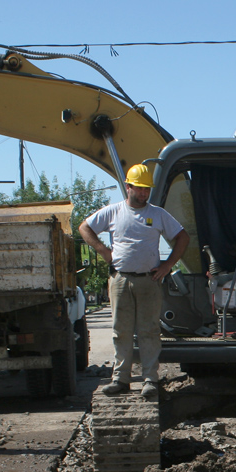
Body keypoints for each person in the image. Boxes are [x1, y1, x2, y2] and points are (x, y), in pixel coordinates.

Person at [80, 163, 190, 400]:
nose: (143, 194)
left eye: (146, 189)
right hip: (120, 280)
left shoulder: (158, 214)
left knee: (149, 330)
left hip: (149, 281)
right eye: (139, 189)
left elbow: (182, 237)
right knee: (121, 331)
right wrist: (102, 250)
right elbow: (85, 227)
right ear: (127, 187)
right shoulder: (113, 212)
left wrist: (167, 265)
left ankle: (150, 379)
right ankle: (121, 379)